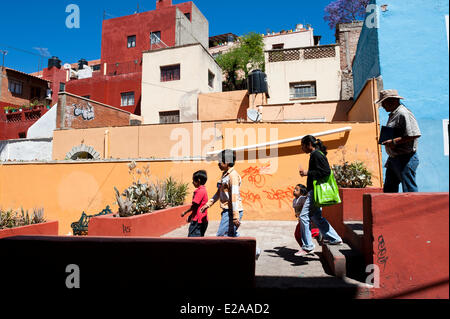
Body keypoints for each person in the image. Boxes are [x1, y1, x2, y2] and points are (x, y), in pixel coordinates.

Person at [297, 135, 342, 256]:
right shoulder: (316, 154)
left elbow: (326, 171)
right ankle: (335, 238)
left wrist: (307, 173)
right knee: (316, 217)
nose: (302, 148)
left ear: (309, 145)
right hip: (313, 191)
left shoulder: (316, 155)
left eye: (303, 145)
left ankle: (308, 246)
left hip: (315, 192)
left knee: (303, 216)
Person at [376, 89, 421, 193]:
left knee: (409, 189)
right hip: (394, 158)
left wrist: (393, 142)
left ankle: (414, 208)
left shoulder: (403, 113)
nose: (382, 106)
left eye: (383, 103)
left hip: (405, 158)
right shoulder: (394, 114)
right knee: (389, 189)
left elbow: (415, 134)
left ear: (393, 101)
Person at [200, 150, 243, 237]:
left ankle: (252, 249)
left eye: (220, 162)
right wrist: (208, 204)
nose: (218, 164)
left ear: (227, 162)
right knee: (230, 235)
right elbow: (218, 193)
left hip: (232, 211)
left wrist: (235, 216)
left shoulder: (232, 176)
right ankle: (253, 250)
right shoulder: (225, 175)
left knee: (221, 235)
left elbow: (234, 197)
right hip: (227, 211)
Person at [292, 184, 320, 256]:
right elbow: (296, 209)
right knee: (298, 235)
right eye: (294, 189)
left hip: (307, 220)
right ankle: (305, 247)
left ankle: (318, 234)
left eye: (297, 190)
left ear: (301, 193)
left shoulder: (302, 198)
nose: (294, 190)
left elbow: (307, 201)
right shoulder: (294, 200)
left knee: (305, 232)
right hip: (300, 220)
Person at [181, 170, 209, 237]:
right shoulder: (204, 190)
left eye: (193, 180)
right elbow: (197, 208)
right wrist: (191, 216)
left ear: (198, 180)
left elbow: (194, 206)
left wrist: (185, 212)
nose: (192, 182)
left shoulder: (200, 191)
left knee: (192, 238)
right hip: (202, 219)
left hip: (198, 221)